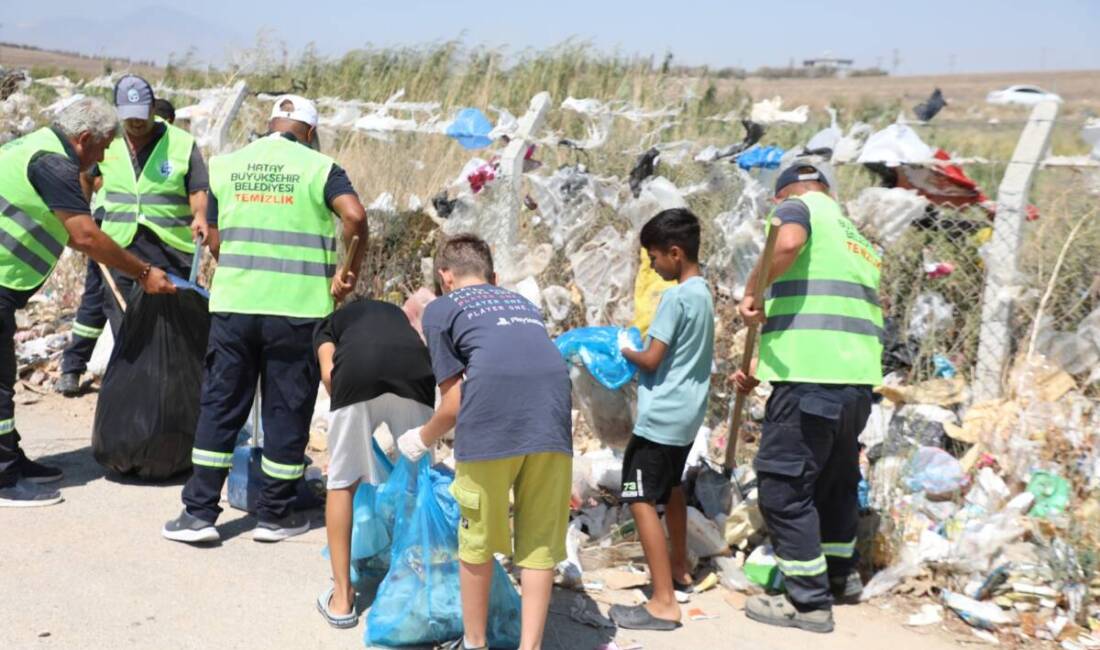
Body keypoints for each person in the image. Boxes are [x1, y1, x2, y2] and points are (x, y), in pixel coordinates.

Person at [162, 94, 367, 544]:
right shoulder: (320, 167)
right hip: (297, 310)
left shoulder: (228, 165)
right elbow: (354, 215)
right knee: (286, 407)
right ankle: (275, 514)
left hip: (235, 306)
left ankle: (198, 514)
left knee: (221, 405)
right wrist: (348, 269)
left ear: (270, 124)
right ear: (309, 133)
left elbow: (213, 238)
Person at [397, 234, 572, 650]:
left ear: (445, 277)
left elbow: (454, 401)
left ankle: (474, 643)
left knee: (474, 540)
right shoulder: (524, 305)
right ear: (493, 276)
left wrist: (420, 438)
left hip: (492, 425)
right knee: (538, 544)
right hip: (552, 423)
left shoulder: (441, 308)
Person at [0, 97, 176, 507]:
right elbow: (84, 236)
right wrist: (143, 272)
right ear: (82, 139)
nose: (106, 155)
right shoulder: (53, 163)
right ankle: (3, 476)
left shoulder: (33, 145)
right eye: (103, 146)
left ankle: (10, 456)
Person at [732, 163, 882, 633]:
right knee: (834, 481)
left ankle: (808, 601)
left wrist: (755, 287)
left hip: (810, 378)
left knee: (781, 487)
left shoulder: (796, 208)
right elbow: (826, 304)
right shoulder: (856, 236)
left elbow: (789, 242)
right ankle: (840, 576)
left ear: (781, 198)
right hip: (854, 382)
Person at [56, 75, 212, 394]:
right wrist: (81, 213)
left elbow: (198, 189)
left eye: (142, 115)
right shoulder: (107, 141)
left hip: (171, 248)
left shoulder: (181, 144)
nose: (136, 123)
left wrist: (200, 215)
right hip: (119, 246)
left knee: (172, 324)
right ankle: (135, 392)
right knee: (124, 321)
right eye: (128, 116)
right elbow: (86, 176)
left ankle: (171, 389)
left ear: (154, 107)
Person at [610, 209, 714, 631]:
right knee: (671, 489)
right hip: (688, 415)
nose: (652, 265)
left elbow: (652, 357)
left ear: (675, 252)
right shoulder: (704, 293)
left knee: (638, 497)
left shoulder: (675, 298)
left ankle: (663, 603)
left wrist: (624, 349)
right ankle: (678, 567)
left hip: (661, 416)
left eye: (654, 257)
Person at [313, 298, 435, 629]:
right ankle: (423, 584)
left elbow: (329, 374)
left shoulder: (329, 323)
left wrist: (351, 432)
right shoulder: (400, 322)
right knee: (420, 483)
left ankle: (342, 600)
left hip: (358, 371)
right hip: (414, 370)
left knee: (342, 483)